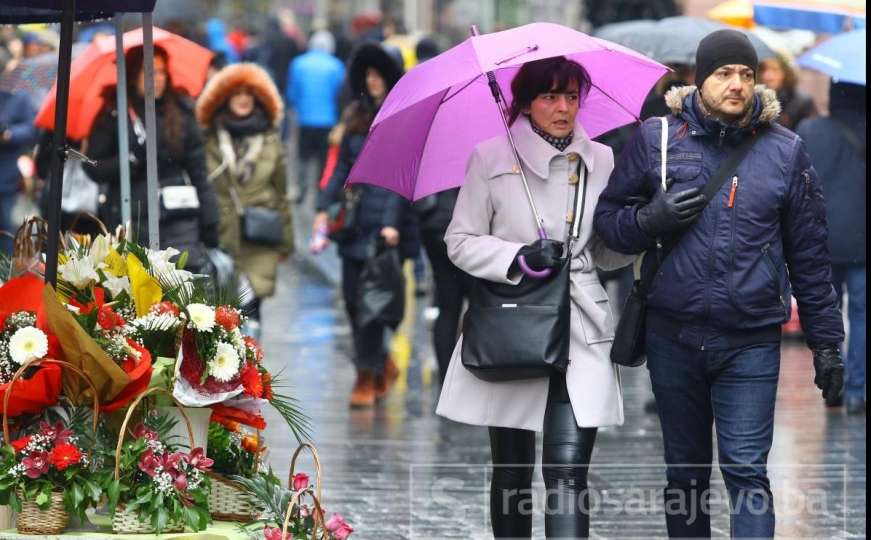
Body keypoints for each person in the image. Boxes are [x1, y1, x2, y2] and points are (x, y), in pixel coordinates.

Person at [593, 30, 845, 538]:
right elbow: (608, 223)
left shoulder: (786, 152)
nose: (737, 84)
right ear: (699, 78)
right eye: (724, 73)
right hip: (673, 334)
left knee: (748, 471)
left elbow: (811, 259)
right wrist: (648, 221)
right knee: (684, 476)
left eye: (746, 74)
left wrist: (827, 346)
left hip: (749, 339)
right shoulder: (656, 140)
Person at [436, 56, 634, 538]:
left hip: (580, 327)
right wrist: (520, 255)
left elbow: (606, 255)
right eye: (550, 96)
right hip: (513, 319)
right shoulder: (490, 157)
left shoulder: (602, 160)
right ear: (525, 102)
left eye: (571, 96)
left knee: (568, 473)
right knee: (512, 470)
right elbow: (459, 241)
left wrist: (639, 231)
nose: (563, 108)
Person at [313, 43, 418, 408]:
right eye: (369, 76)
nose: (374, 83)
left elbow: (401, 178)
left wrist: (391, 225)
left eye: (379, 76)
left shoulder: (402, 119)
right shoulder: (355, 117)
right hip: (354, 224)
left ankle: (365, 375)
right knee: (355, 303)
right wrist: (324, 205)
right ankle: (380, 365)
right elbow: (342, 167)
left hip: (383, 229)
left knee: (375, 306)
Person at [85, 45, 219, 271]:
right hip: (132, 215)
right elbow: (93, 166)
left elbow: (199, 171)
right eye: (149, 73)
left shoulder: (181, 111)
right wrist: (127, 162)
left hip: (178, 215)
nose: (157, 79)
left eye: (161, 72)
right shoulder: (115, 113)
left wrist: (210, 220)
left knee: (183, 283)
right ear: (133, 75)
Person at [195, 62, 294, 329]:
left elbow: (281, 192)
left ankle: (253, 367)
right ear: (225, 100)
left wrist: (287, 242)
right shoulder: (210, 139)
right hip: (222, 234)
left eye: (248, 94)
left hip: (260, 234)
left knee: (252, 308)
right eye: (236, 94)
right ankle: (234, 368)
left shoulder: (271, 140)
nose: (242, 100)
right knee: (224, 311)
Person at [797, 82, 865, 414]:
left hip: (820, 239)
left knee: (826, 314)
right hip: (862, 240)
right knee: (863, 316)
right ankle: (856, 391)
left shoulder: (810, 129)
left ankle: (832, 387)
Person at [286, 30, 345, 205]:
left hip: (305, 119)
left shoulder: (298, 63)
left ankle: (301, 188)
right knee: (324, 158)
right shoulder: (336, 66)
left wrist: (298, 107)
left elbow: (292, 93)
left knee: (303, 156)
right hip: (328, 119)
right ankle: (322, 189)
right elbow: (340, 94)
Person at [0, 88, 37, 252]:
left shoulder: (18, 96)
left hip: (9, 180)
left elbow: (33, 129)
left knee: (10, 233)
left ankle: (9, 275)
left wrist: (9, 134)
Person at [758, 50, 817, 129]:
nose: (767, 76)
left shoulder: (801, 102)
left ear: (786, 72)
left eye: (775, 70)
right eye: (764, 69)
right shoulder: (755, 98)